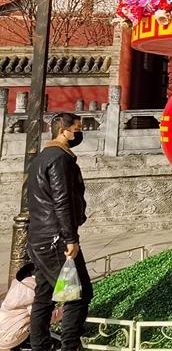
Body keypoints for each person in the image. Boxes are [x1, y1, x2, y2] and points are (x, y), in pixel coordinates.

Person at [26, 112, 92, 351]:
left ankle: (39, 345)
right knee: (78, 293)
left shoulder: (41, 158)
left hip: (39, 236)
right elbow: (62, 201)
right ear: (63, 130)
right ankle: (70, 345)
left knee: (44, 294)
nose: (79, 134)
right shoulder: (60, 159)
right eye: (77, 129)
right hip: (56, 238)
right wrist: (70, 238)